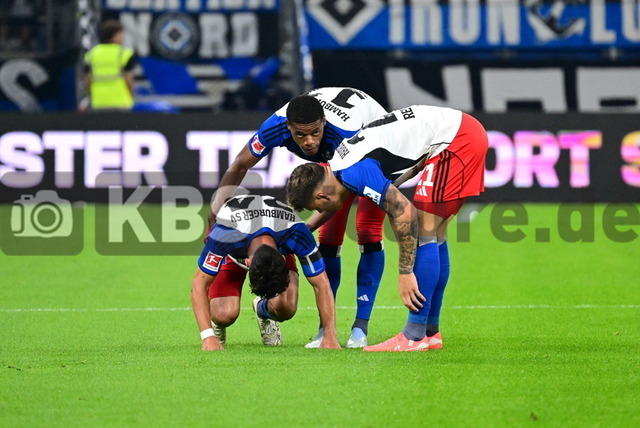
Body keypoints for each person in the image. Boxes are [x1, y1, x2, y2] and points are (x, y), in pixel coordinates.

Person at [286, 105, 488, 352]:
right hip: (460, 132)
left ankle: (414, 335)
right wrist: (305, 229)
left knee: (424, 229)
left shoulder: (355, 172)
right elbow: (335, 203)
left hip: (456, 140)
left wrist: (405, 273)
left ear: (321, 195)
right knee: (435, 233)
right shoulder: (338, 167)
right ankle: (430, 333)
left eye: (317, 207)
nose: (321, 212)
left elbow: (404, 212)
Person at [208, 87, 388, 348]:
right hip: (336, 145)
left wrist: (301, 230)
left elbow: (339, 197)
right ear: (288, 127)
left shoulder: (342, 137)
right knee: (330, 236)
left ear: (323, 123)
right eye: (300, 135)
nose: (309, 142)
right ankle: (324, 330)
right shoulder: (275, 127)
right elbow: (240, 164)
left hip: (372, 143)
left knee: (368, 229)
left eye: (314, 133)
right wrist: (214, 212)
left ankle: (360, 327)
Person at [191, 193, 341, 351]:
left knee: (286, 308)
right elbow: (199, 283)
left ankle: (262, 311)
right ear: (247, 263)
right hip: (232, 251)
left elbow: (322, 284)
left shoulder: (296, 233)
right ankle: (217, 324)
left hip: (276, 238)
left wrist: (330, 335)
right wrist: (207, 336)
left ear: (283, 259)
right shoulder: (224, 233)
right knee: (223, 315)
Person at [83, 19, 135, 110]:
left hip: (99, 101)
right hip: (121, 102)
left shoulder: (92, 54)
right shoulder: (124, 54)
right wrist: (131, 94)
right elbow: (129, 79)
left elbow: (88, 80)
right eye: (120, 34)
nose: (122, 37)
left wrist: (90, 96)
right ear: (115, 35)